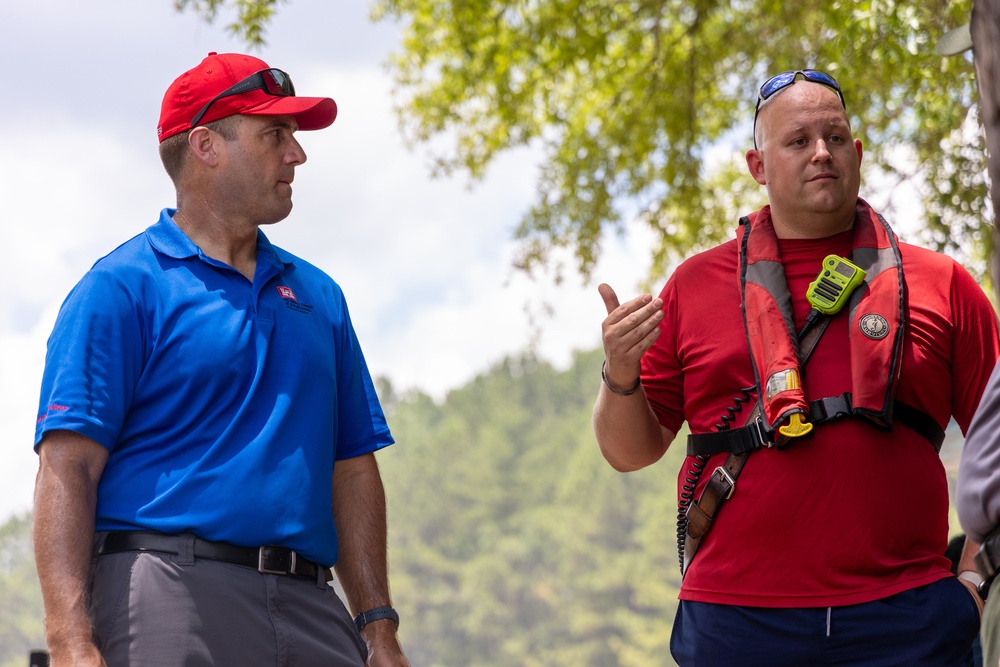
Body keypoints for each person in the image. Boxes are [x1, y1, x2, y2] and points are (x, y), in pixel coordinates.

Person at [594, 69, 999, 665]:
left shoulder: (943, 285)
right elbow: (630, 451)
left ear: (857, 153)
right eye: (798, 141)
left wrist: (974, 585)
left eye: (835, 139)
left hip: (911, 620)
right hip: (736, 620)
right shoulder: (694, 286)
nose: (821, 154)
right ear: (758, 166)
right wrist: (620, 375)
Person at [32, 52, 410, 667]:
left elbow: (352, 469)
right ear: (207, 145)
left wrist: (377, 626)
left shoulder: (320, 296)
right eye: (275, 135)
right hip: (165, 595)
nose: (297, 154)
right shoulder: (121, 288)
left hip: (314, 604)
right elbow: (66, 469)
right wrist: (70, 642)